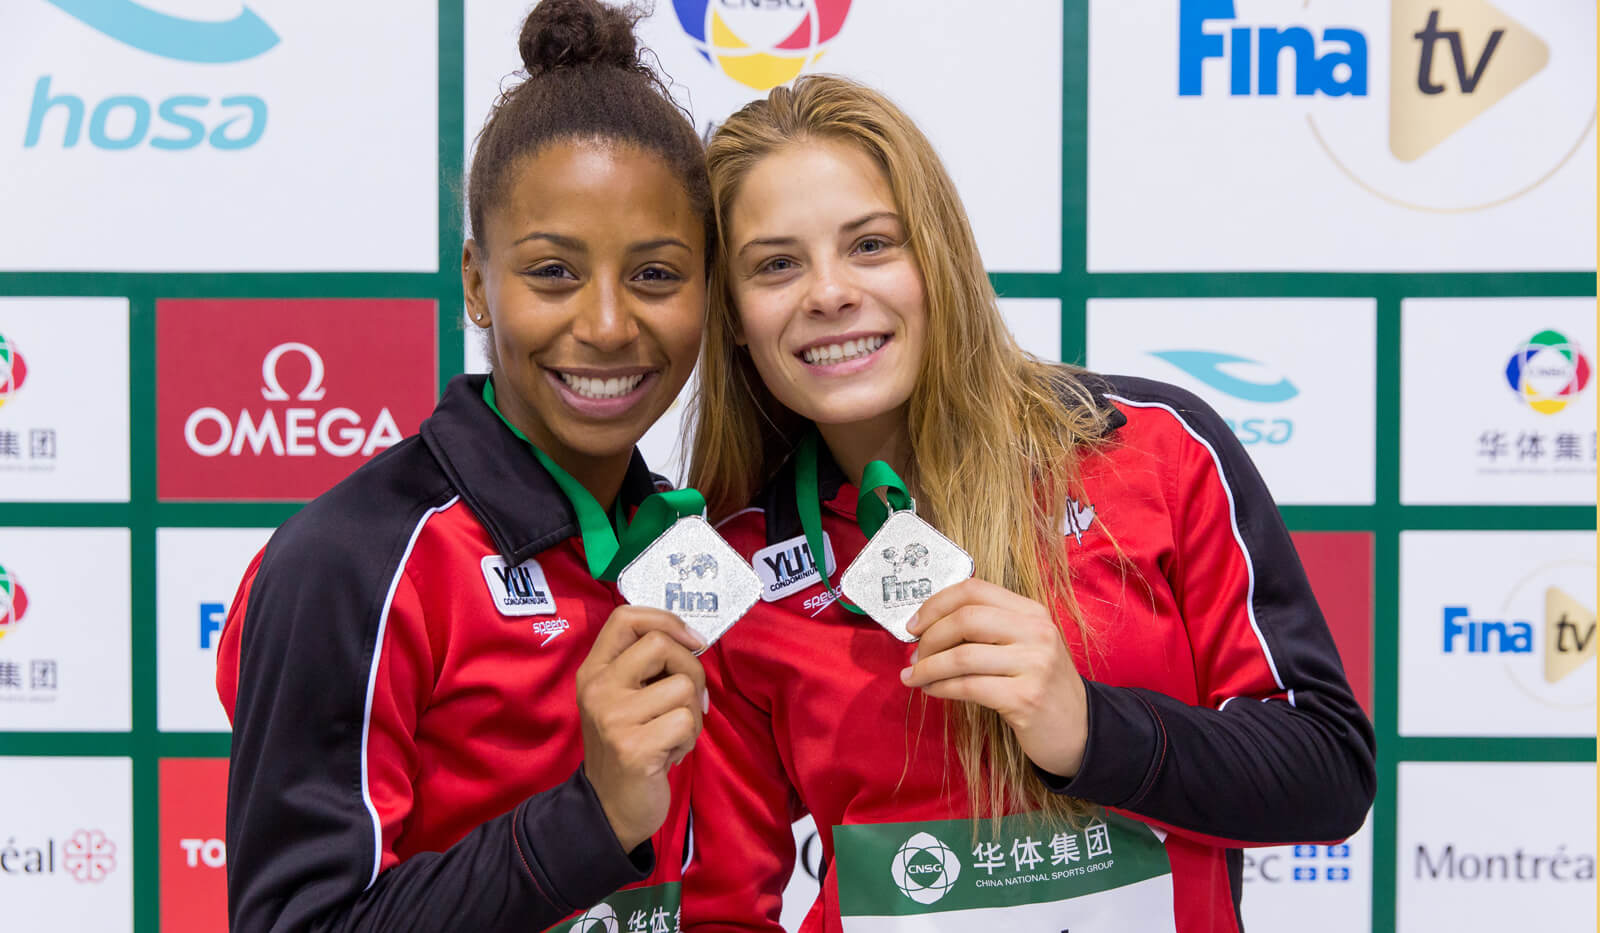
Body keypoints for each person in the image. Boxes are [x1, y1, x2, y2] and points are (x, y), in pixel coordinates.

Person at [681, 75, 1376, 931]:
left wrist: (1089, 730)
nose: (828, 292)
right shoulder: (736, 571)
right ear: (734, 315)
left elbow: (1327, 771)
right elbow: (719, 908)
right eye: (777, 264)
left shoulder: (1155, 449)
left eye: (871, 244)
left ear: (939, 257)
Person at [215, 2, 714, 929]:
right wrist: (592, 817)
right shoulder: (351, 560)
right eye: (553, 272)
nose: (609, 324)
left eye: (655, 274)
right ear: (478, 283)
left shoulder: (688, 550)